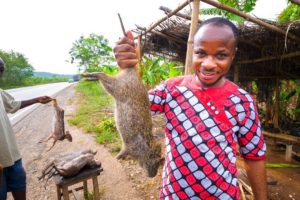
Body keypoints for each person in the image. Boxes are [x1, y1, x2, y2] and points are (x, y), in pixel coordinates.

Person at [113, 17, 267, 200]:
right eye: (201, 53)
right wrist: (128, 69)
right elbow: (133, 104)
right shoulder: (170, 90)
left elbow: (254, 157)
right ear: (193, 51)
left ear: (233, 55)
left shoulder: (243, 102)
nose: (208, 64)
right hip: (174, 195)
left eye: (221, 55)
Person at [0, 57, 52, 200]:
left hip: (12, 155)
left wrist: (37, 99)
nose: (0, 74)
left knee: (19, 183)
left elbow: (12, 105)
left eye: (1, 70)